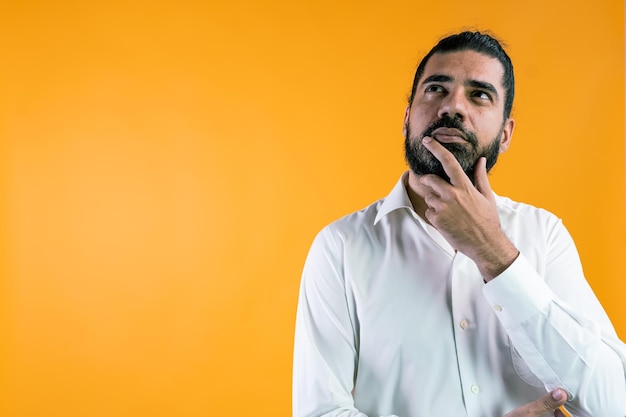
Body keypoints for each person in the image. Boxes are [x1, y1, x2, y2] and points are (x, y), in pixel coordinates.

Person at [292, 31, 626, 417]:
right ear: (406, 119)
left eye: (479, 94)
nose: (453, 106)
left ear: (504, 135)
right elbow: (321, 412)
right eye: (436, 89)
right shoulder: (342, 246)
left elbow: (614, 404)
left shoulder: (545, 236)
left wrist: (495, 254)